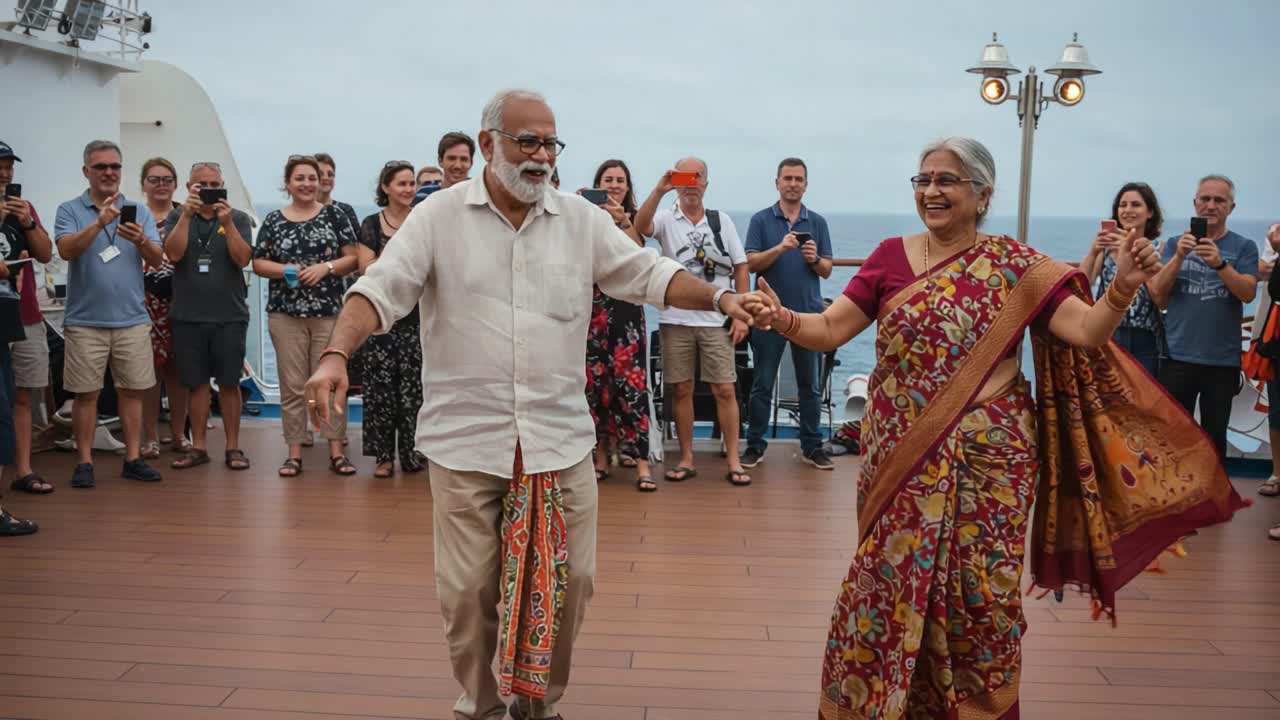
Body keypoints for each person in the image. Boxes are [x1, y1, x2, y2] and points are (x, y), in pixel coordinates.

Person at [741, 137, 1245, 720]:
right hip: (899, 461)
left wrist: (1123, 284)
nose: (931, 191)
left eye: (947, 180)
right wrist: (780, 318)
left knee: (981, 598)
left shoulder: (1015, 267)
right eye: (923, 179)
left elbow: (1085, 332)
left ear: (982, 194)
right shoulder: (887, 258)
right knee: (883, 584)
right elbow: (829, 329)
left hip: (991, 463)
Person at [304, 89, 757, 720]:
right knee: (467, 592)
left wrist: (719, 298)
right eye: (528, 142)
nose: (542, 155)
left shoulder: (579, 219)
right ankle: (483, 704)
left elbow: (648, 273)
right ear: (488, 143)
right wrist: (334, 356)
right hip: (466, 441)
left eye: (551, 143)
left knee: (572, 586)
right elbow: (379, 291)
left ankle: (538, 705)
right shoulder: (436, 219)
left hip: (558, 437)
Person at [54, 140, 166, 488]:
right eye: (101, 166)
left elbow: (156, 258)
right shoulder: (70, 209)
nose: (109, 173)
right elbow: (66, 249)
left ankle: (132, 458)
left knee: (132, 391)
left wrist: (140, 241)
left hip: (131, 318)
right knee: (85, 395)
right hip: (85, 320)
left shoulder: (138, 210)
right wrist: (98, 222)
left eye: (115, 166)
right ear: (87, 171)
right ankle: (85, 461)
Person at [635, 157, 752, 486]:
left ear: (706, 183)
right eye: (684, 177)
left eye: (697, 176)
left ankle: (733, 459)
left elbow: (741, 267)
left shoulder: (721, 221)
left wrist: (741, 314)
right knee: (681, 389)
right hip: (676, 319)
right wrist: (660, 190)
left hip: (716, 320)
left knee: (725, 390)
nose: (691, 183)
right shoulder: (665, 219)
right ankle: (686, 457)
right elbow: (640, 227)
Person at [251, 155, 359, 478]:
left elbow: (352, 258)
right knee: (293, 385)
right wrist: (285, 270)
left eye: (312, 178)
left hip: (329, 313)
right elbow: (258, 263)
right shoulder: (273, 220)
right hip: (286, 314)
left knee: (330, 383)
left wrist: (325, 268)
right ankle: (294, 451)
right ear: (287, 183)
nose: (307, 184)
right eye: (300, 178)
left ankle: (336, 450)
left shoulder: (335, 215)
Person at [1149, 174, 1258, 459]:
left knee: (1214, 436)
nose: (1211, 205)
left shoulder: (1244, 247)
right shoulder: (1174, 245)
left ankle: (1216, 501)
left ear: (1231, 208)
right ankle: (1178, 498)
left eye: (1219, 200)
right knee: (1174, 434)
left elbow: (1248, 293)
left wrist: (1220, 264)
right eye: (1205, 199)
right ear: (1195, 203)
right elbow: (1158, 295)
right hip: (1177, 356)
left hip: (1221, 361)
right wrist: (1178, 257)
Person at [741, 157, 834, 470]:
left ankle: (812, 446)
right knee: (762, 384)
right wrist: (780, 249)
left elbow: (827, 270)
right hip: (767, 315)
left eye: (798, 179)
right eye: (788, 178)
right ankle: (755, 445)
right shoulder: (760, 220)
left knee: (810, 386)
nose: (793, 184)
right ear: (777, 183)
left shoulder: (817, 222)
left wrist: (814, 258)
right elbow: (751, 263)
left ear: (806, 184)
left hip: (808, 315)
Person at [164, 162, 254, 471]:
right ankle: (199, 446)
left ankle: (233, 447)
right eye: (200, 185)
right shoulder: (178, 216)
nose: (207, 189)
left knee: (229, 383)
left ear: (222, 185)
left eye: (213, 183)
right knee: (196, 383)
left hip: (229, 315)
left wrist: (227, 224)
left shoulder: (237, 218)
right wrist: (187, 215)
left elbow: (242, 259)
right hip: (188, 315)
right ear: (189, 187)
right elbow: (173, 254)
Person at [582, 159, 655, 491]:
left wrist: (623, 220)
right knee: (596, 388)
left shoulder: (635, 220)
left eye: (619, 180)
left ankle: (642, 463)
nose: (613, 185)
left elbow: (638, 254)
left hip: (626, 313)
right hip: (592, 310)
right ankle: (600, 456)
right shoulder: (585, 218)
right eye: (607, 179)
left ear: (628, 187)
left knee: (632, 388)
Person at [355, 161, 425, 478]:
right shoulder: (371, 224)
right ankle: (384, 456)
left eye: (412, 183)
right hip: (382, 318)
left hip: (417, 318)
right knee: (381, 388)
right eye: (401, 184)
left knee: (414, 389)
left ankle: (412, 453)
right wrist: (401, 260)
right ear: (386, 188)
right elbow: (365, 267)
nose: (408, 189)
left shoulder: (422, 221)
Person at [0, 141, 55, 495]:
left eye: (9, 167)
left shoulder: (25, 208)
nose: (5, 174)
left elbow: (45, 253)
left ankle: (23, 470)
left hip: (25, 315)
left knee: (23, 395)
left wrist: (27, 222)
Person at [1078, 182, 1166, 376]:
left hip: (1145, 337)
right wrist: (1094, 251)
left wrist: (1131, 252)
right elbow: (1081, 285)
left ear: (1150, 212)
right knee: (1109, 398)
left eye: (1135, 205)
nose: (1127, 210)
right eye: (1122, 205)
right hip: (1109, 332)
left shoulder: (1158, 249)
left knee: (1143, 399)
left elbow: (1159, 296)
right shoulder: (1106, 249)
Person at [137, 157, 189, 459]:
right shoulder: (135, 216)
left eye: (167, 179)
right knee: (149, 371)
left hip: (180, 300)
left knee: (178, 371)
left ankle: (179, 434)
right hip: (143, 301)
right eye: (154, 179)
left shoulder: (185, 216)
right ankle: (151, 437)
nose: (161, 185)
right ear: (144, 183)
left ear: (176, 183)